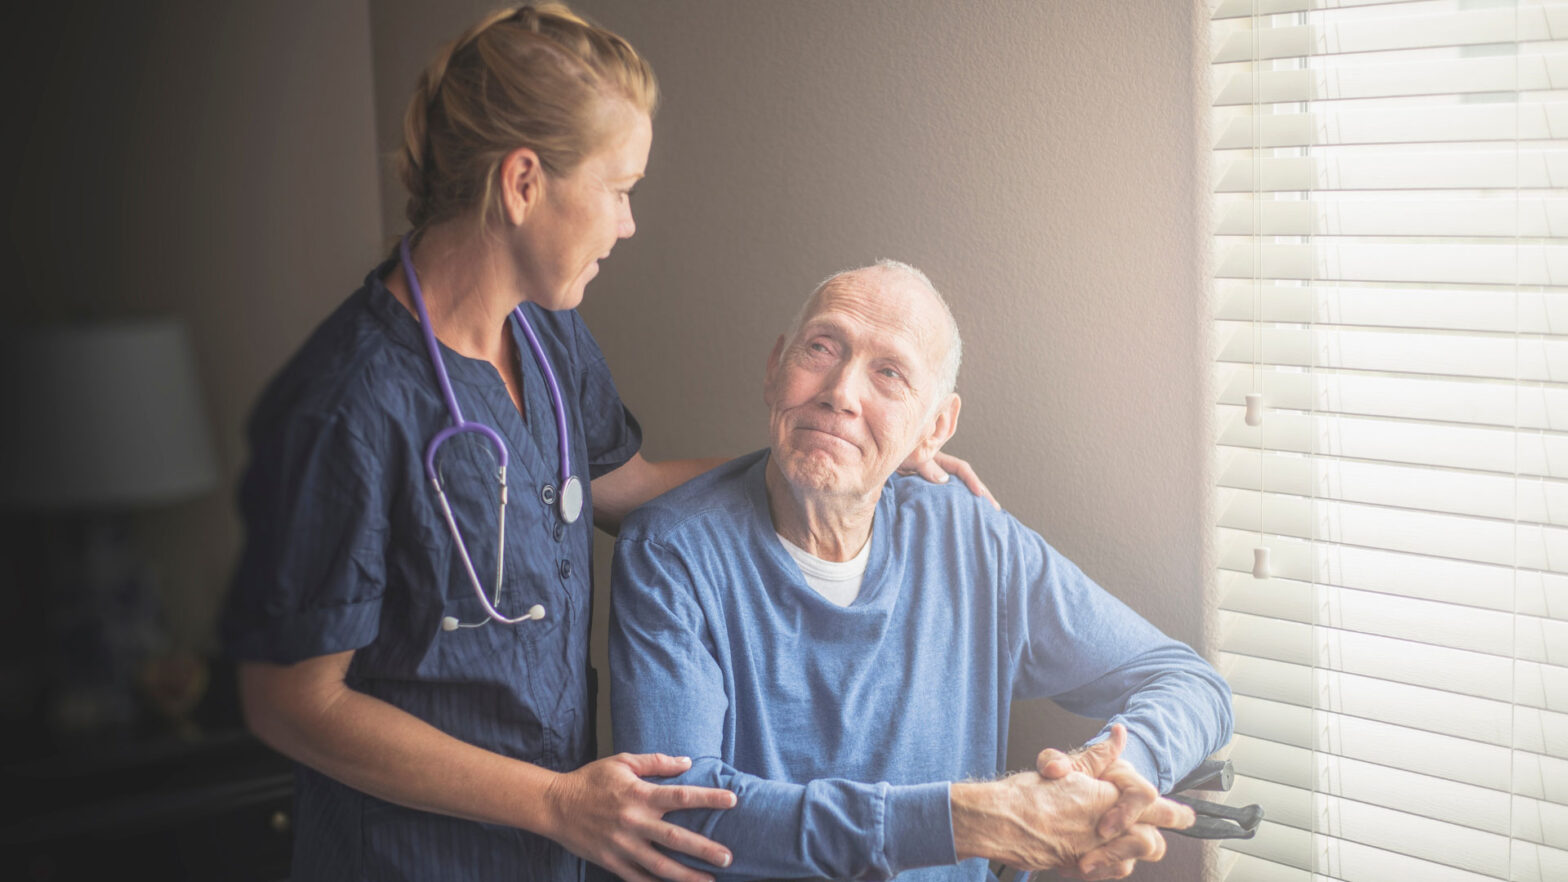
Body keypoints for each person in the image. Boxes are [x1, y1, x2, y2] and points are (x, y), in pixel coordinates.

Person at [219, 7, 989, 882]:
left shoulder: (547, 338)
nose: (628, 224)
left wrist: (849, 461)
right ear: (522, 184)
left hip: (556, 856)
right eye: (619, 188)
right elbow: (290, 701)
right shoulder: (348, 403)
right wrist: (552, 802)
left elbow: (627, 487)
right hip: (409, 858)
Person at [609, 261, 1235, 881]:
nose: (841, 392)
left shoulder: (973, 540)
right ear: (775, 369)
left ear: (934, 428)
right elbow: (677, 818)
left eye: (889, 374)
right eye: (822, 347)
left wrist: (1120, 767)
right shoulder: (670, 553)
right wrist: (967, 821)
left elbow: (1189, 682)